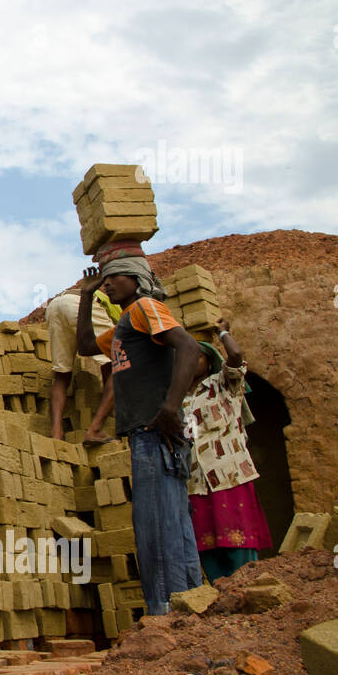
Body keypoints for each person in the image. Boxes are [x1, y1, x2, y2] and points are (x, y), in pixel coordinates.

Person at [76, 255, 204, 615]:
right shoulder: (125, 324)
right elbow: (86, 347)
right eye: (105, 279)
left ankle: (165, 612)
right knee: (172, 523)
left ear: (137, 280)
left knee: (155, 525)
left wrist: (169, 407)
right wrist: (86, 297)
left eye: (116, 277)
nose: (108, 283)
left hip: (155, 433)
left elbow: (189, 347)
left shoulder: (146, 307)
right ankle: (189, 604)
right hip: (144, 435)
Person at [182, 318, 272, 581]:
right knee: (206, 546)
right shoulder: (177, 398)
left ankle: (248, 588)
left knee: (238, 540)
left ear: (209, 361)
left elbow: (235, 355)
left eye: (197, 356)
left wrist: (222, 332)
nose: (190, 360)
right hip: (196, 482)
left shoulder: (223, 384)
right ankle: (223, 594)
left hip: (228, 476)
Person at [46, 289, 119, 443]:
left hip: (54, 306)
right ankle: (95, 430)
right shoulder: (127, 309)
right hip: (80, 304)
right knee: (116, 367)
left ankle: (57, 434)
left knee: (62, 375)